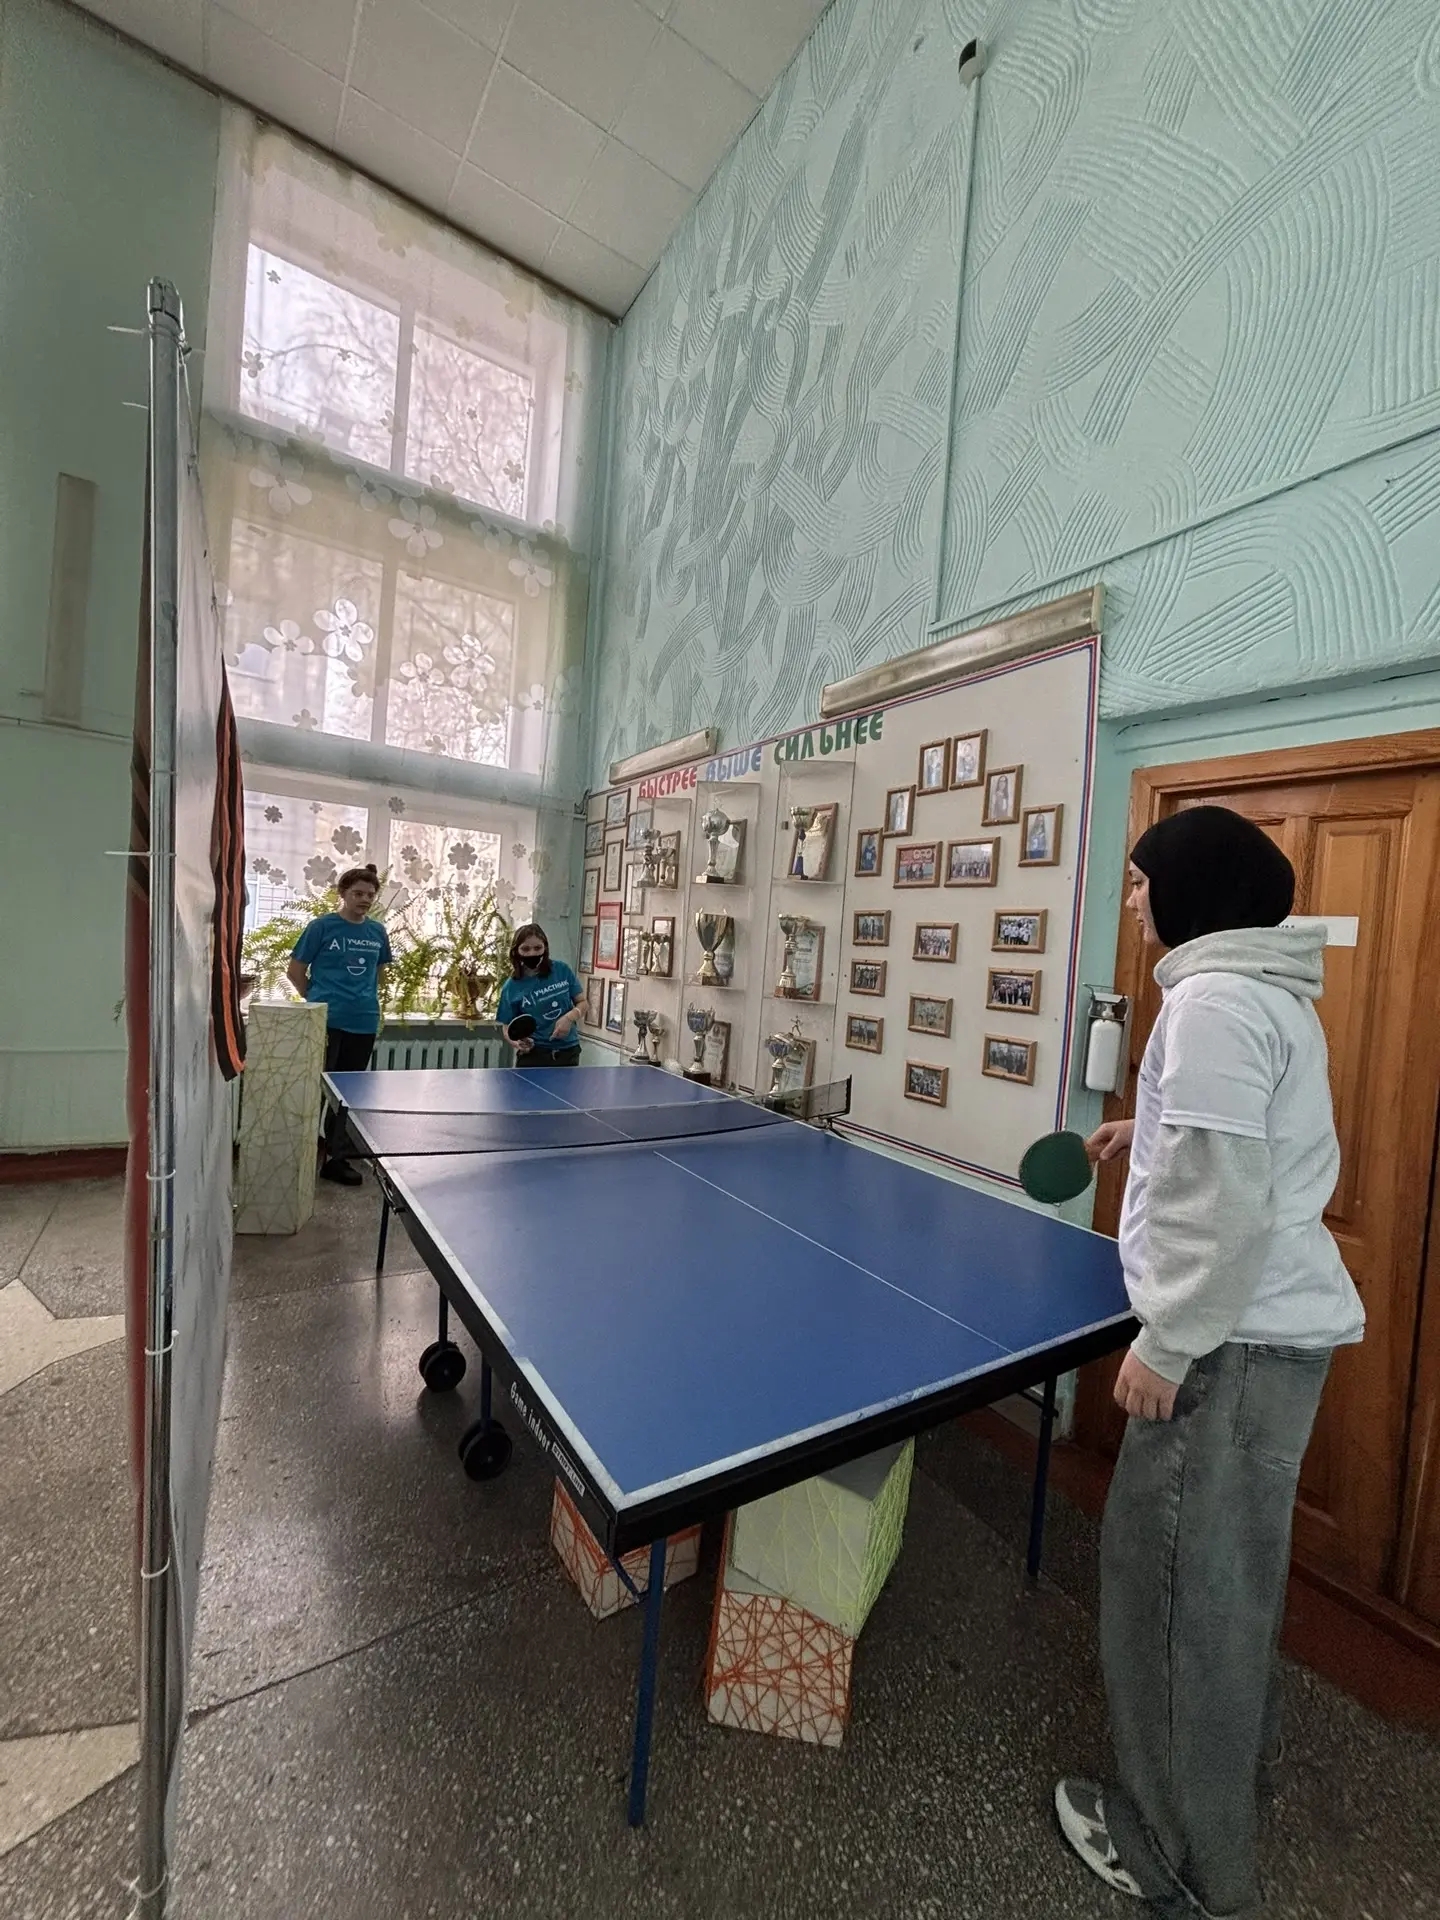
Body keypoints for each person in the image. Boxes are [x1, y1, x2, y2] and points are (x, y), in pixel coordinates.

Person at [1055, 807, 1364, 1918]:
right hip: (1268, 1341)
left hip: (1226, 1349)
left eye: (1143, 881)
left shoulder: (1213, 1005)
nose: (1133, 898)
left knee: (1175, 1592)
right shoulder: (1263, 992)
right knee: (1226, 1588)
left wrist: (1169, 1341)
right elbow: (1249, 1153)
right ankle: (1222, 1783)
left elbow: (1226, 1202)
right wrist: (1145, 1133)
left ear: (1193, 889)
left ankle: (1179, 1856)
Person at [286, 864, 393, 1186]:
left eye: (370, 895)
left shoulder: (377, 932)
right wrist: (317, 1000)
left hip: (363, 1022)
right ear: (343, 894)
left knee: (346, 1094)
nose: (365, 900)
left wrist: (361, 998)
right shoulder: (321, 927)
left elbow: (379, 974)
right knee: (317, 1090)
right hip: (326, 1022)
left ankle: (337, 1158)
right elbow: (295, 971)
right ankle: (303, 1157)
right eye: (358, 893)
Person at [497, 923, 584, 1066]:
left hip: (568, 1052)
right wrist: (517, 1043)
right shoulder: (511, 987)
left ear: (545, 948)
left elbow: (582, 1002)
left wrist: (569, 1018)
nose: (532, 953)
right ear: (516, 951)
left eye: (537, 948)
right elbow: (507, 1026)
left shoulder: (562, 970)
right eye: (525, 949)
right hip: (534, 1054)